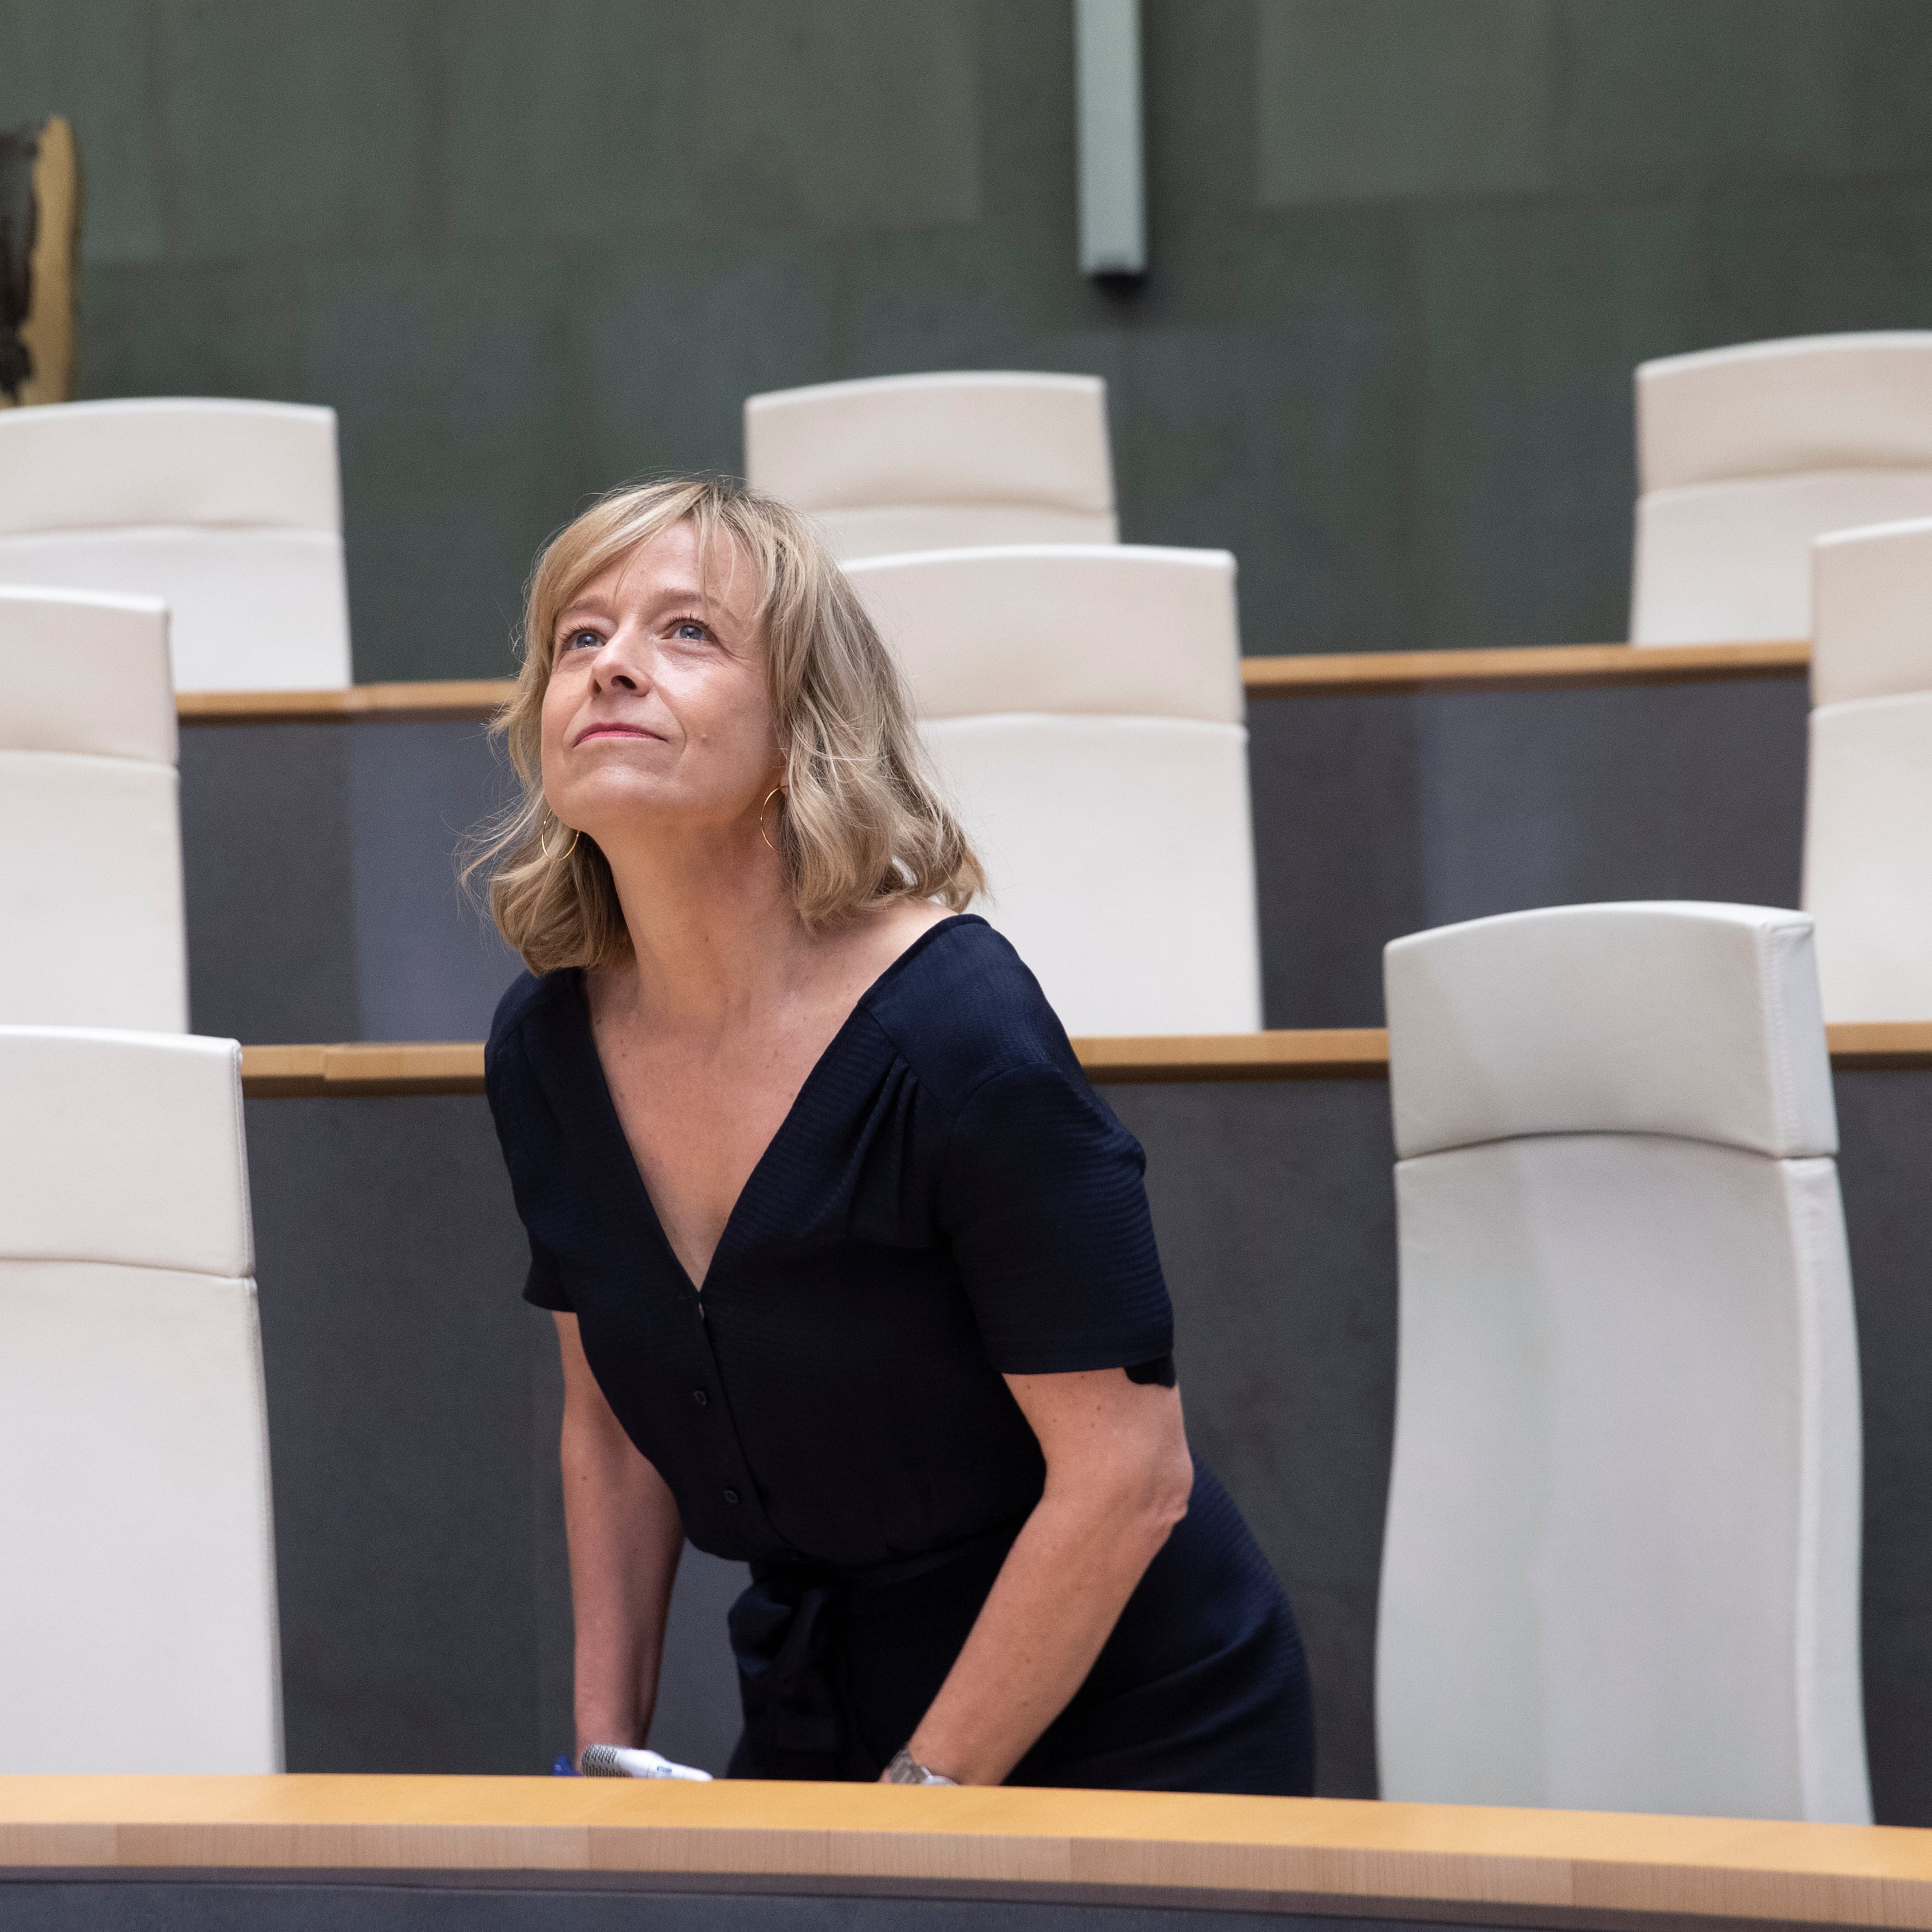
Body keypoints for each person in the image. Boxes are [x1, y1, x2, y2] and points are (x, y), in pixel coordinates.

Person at [475, 476, 1314, 1790]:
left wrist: (916, 1806)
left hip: (1129, 1718)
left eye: (684, 632)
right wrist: (604, 1763)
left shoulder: (957, 1027)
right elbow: (614, 1431)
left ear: (805, 723)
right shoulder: (544, 1052)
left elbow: (1129, 1476)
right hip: (831, 1712)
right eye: (579, 638)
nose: (613, 666)